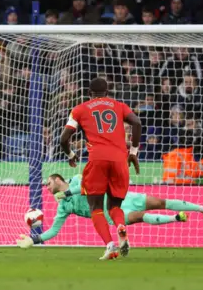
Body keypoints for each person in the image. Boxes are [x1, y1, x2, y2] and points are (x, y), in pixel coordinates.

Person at [17, 174, 203, 248]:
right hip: (110, 211)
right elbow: (54, 231)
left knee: (160, 201)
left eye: (49, 182)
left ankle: (202, 208)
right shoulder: (64, 207)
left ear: (58, 179)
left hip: (122, 196)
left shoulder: (78, 179)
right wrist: (34, 239)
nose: (47, 186)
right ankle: (176, 218)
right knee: (140, 217)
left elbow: (88, 187)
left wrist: (67, 192)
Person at [60, 77, 142, 260]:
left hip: (97, 160)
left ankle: (110, 245)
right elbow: (137, 123)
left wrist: (71, 155)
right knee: (114, 206)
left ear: (89, 94)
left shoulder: (79, 109)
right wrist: (134, 152)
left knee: (95, 206)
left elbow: (63, 139)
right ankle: (120, 226)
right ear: (107, 93)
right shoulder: (119, 106)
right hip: (120, 160)